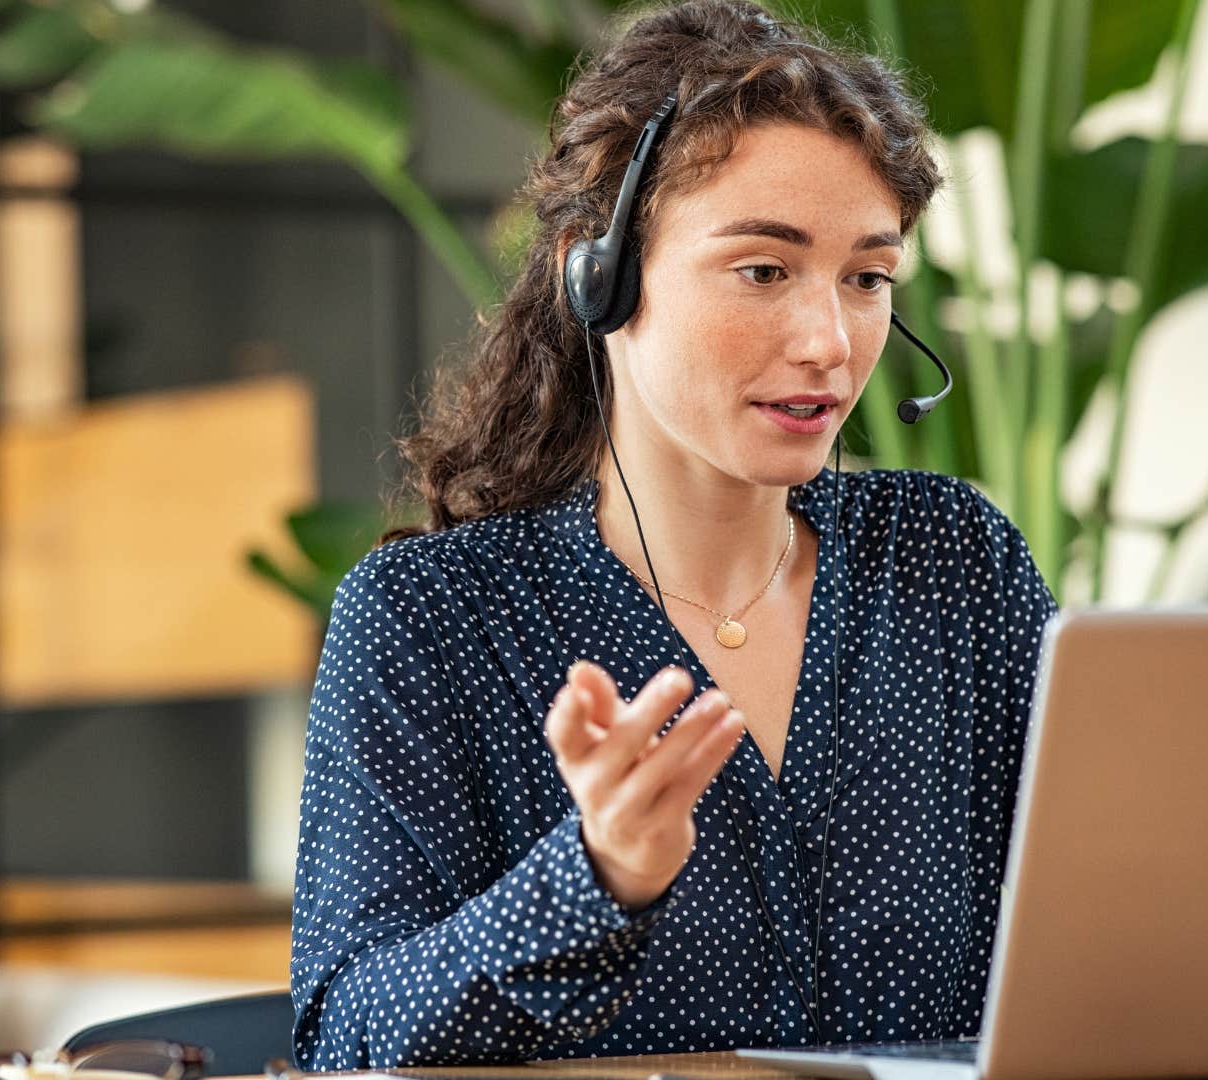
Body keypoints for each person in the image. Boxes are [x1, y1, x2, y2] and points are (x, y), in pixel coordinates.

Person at [290, 0, 1057, 1070]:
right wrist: (597, 877)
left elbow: (1103, 928)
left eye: (868, 278)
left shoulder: (953, 564)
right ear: (597, 274)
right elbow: (348, 1038)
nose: (830, 341)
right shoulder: (434, 620)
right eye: (763, 270)